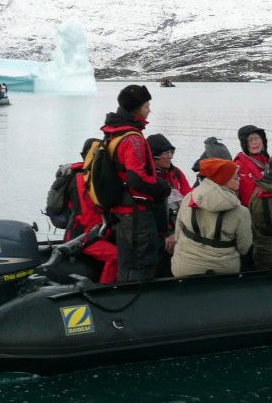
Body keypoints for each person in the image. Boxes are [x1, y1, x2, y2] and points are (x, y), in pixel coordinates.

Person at [101, 85, 171, 282]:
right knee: (143, 260)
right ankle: (139, 302)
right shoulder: (132, 138)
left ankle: (123, 295)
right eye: (147, 105)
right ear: (136, 109)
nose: (149, 110)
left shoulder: (113, 132)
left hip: (121, 210)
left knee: (127, 259)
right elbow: (136, 178)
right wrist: (161, 187)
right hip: (136, 212)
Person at [171, 158, 253, 277]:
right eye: (236, 177)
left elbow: (178, 233)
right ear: (224, 180)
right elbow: (244, 248)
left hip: (185, 268)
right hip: (224, 270)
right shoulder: (241, 212)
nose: (239, 179)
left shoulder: (189, 198)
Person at [64, 138, 118, 283]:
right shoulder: (82, 180)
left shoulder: (75, 177)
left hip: (91, 233)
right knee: (115, 256)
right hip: (81, 236)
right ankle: (104, 290)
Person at [147, 133, 192, 270]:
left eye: (171, 152)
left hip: (178, 228)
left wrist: (179, 231)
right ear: (153, 155)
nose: (170, 156)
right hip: (155, 233)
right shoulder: (146, 177)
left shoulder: (176, 173)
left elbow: (190, 199)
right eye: (165, 152)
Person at [234, 125, 270, 207]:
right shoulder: (240, 164)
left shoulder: (266, 160)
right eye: (250, 140)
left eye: (257, 138)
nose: (254, 142)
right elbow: (248, 196)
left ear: (263, 140)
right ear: (244, 144)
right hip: (253, 211)